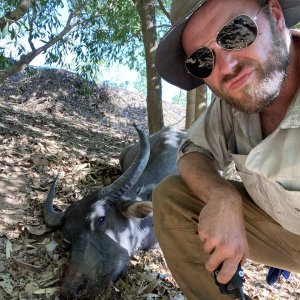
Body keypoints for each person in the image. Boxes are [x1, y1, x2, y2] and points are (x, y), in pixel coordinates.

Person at [152, 0, 300, 299]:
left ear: (275, 15)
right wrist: (221, 195)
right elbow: (194, 151)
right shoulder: (237, 98)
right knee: (173, 197)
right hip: (286, 232)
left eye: (235, 33)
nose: (227, 67)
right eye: (202, 60)